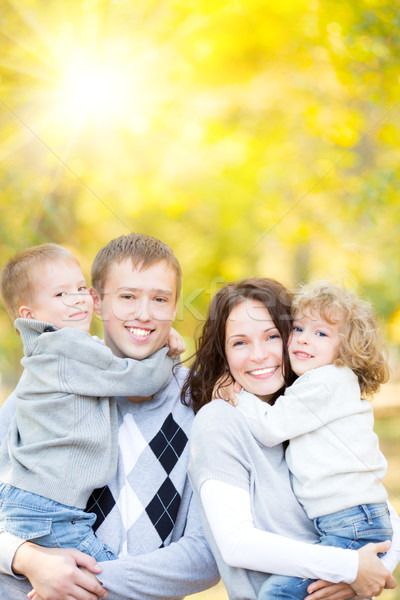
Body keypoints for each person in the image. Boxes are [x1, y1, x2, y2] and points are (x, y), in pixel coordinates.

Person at [0, 233, 219, 600]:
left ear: (175, 307)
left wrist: (90, 585)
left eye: (160, 299)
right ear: (97, 303)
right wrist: (26, 559)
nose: (144, 314)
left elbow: (204, 556)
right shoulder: (37, 395)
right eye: (128, 297)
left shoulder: (202, 405)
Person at [184, 278, 400, 600]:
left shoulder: (300, 413)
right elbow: (236, 544)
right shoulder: (221, 421)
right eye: (240, 343)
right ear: (224, 353)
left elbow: (386, 519)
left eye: (272, 336)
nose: (259, 355)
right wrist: (348, 567)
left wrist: (360, 571)